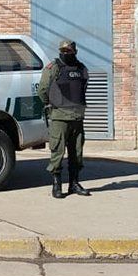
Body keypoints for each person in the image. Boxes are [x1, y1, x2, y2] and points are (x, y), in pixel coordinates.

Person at [37, 40, 90, 199]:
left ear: (75, 52)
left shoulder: (81, 68)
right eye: (63, 51)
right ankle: (56, 185)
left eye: (69, 51)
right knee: (57, 153)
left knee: (77, 153)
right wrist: (51, 105)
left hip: (77, 117)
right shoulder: (53, 68)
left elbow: (83, 87)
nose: (66, 54)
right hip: (59, 117)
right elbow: (42, 90)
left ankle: (74, 184)